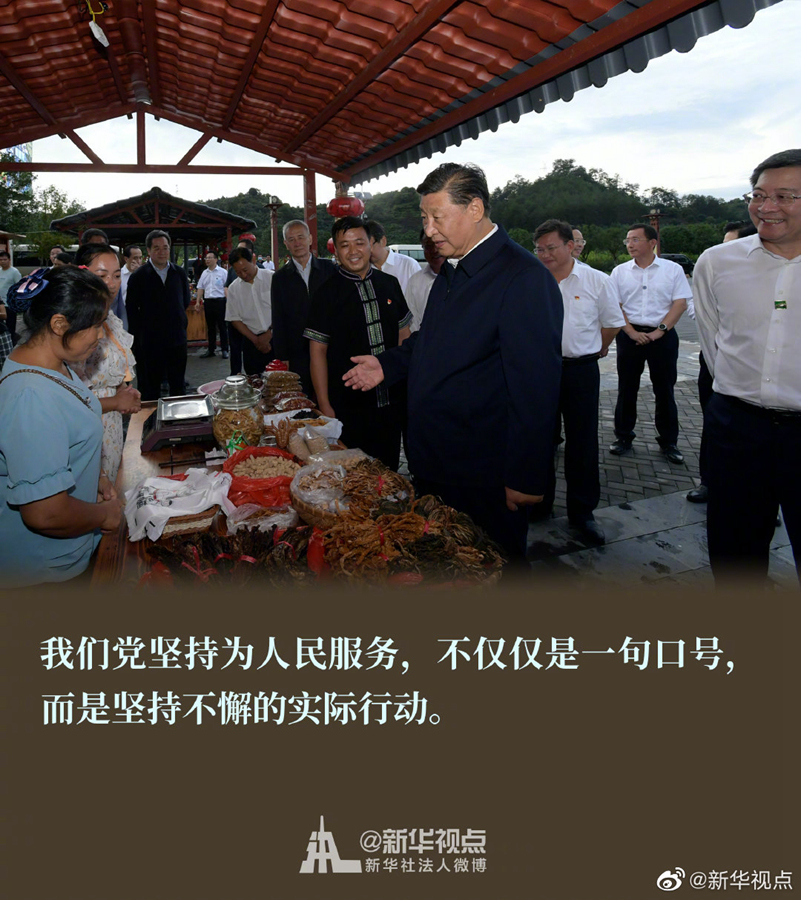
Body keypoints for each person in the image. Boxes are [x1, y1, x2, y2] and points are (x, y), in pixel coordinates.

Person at [343, 163, 563, 559]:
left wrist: (527, 476)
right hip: (439, 461)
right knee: (445, 566)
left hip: (482, 471)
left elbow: (537, 389)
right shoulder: (454, 268)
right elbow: (433, 340)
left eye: (437, 217)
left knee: (494, 567)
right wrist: (388, 365)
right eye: (424, 218)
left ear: (474, 209)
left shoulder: (523, 278)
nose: (428, 230)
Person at [693, 148, 801, 583]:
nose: (767, 207)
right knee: (735, 556)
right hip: (736, 429)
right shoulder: (717, 262)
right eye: (758, 195)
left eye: (786, 196)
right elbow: (712, 342)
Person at [0, 266, 123, 588]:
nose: (100, 335)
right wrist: (105, 515)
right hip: (42, 573)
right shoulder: (31, 396)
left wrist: (93, 476)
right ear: (59, 324)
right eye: (95, 325)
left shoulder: (54, 365)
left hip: (70, 550)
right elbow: (46, 513)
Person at [533, 219, 624, 545]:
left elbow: (611, 324)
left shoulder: (596, 280)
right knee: (539, 439)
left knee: (582, 442)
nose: (544, 255)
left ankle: (582, 512)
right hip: (540, 371)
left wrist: (595, 348)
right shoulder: (531, 280)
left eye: (551, 248)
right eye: (539, 249)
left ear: (571, 246)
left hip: (580, 371)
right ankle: (538, 503)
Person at [305, 217, 412, 470]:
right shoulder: (325, 293)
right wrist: (324, 404)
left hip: (391, 398)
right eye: (345, 245)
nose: (353, 251)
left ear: (371, 244)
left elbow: (404, 336)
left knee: (388, 468)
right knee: (352, 473)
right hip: (347, 404)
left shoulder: (390, 284)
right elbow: (317, 352)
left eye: (360, 243)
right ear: (336, 250)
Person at [606, 223, 691, 464]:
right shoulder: (620, 272)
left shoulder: (672, 270)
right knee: (627, 388)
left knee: (664, 390)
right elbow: (615, 305)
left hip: (663, 337)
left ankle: (669, 441)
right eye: (628, 240)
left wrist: (660, 331)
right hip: (629, 336)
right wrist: (631, 332)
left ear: (652, 243)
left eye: (635, 239)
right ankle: (623, 436)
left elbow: (680, 303)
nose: (630, 244)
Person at [687, 220, 757, 504]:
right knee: (714, 423)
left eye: (730, 245)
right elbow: (699, 313)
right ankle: (709, 481)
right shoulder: (717, 274)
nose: (722, 251)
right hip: (714, 362)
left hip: (757, 370)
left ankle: (761, 494)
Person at [72, 243, 141, 483]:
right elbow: (67, 400)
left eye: (117, 275)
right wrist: (116, 401)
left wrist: (124, 390)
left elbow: (114, 366)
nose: (111, 284)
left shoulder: (109, 317)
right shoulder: (75, 325)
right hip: (86, 428)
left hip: (111, 423)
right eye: (101, 276)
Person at [271, 219, 336, 397]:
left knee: (332, 395)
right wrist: (282, 356)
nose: (297, 243)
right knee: (302, 399)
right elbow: (278, 318)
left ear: (310, 239)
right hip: (297, 351)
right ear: (286, 244)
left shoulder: (330, 269)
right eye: (291, 239)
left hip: (330, 347)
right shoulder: (280, 278)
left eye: (301, 237)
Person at [125, 229, 191, 401]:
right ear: (148, 250)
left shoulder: (179, 273)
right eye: (157, 248)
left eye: (165, 247)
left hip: (177, 339)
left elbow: (184, 301)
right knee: (150, 387)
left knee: (178, 385)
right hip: (150, 342)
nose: (162, 252)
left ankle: (177, 416)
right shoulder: (138, 276)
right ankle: (150, 417)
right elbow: (131, 310)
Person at [226, 247, 274, 374]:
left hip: (276, 339)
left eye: (245, 270)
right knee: (254, 380)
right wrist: (256, 340)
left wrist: (269, 334)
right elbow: (235, 319)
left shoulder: (272, 278)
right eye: (238, 272)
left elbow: (282, 310)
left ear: (253, 260)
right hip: (252, 343)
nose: (243, 275)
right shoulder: (233, 288)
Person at [225, 237, 258, 375]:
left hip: (256, 325)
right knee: (236, 348)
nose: (243, 274)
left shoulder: (266, 275)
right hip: (237, 317)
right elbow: (227, 286)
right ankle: (235, 375)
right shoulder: (233, 271)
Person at [366, 220, 422, 293]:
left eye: (369, 246)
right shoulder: (362, 270)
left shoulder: (408, 265)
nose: (366, 251)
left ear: (383, 241)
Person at [405, 231, 445, 332]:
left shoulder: (462, 277)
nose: (434, 250)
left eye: (438, 243)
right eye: (428, 246)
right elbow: (413, 322)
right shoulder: (415, 281)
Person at [196, 250, 229, 359]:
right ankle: (211, 349)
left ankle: (225, 349)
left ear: (216, 259)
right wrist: (198, 301)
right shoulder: (204, 273)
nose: (207, 260)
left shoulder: (223, 272)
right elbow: (200, 288)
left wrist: (229, 301)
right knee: (210, 327)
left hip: (220, 301)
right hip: (208, 302)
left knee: (222, 326)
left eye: (210, 257)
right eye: (206, 258)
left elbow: (227, 287)